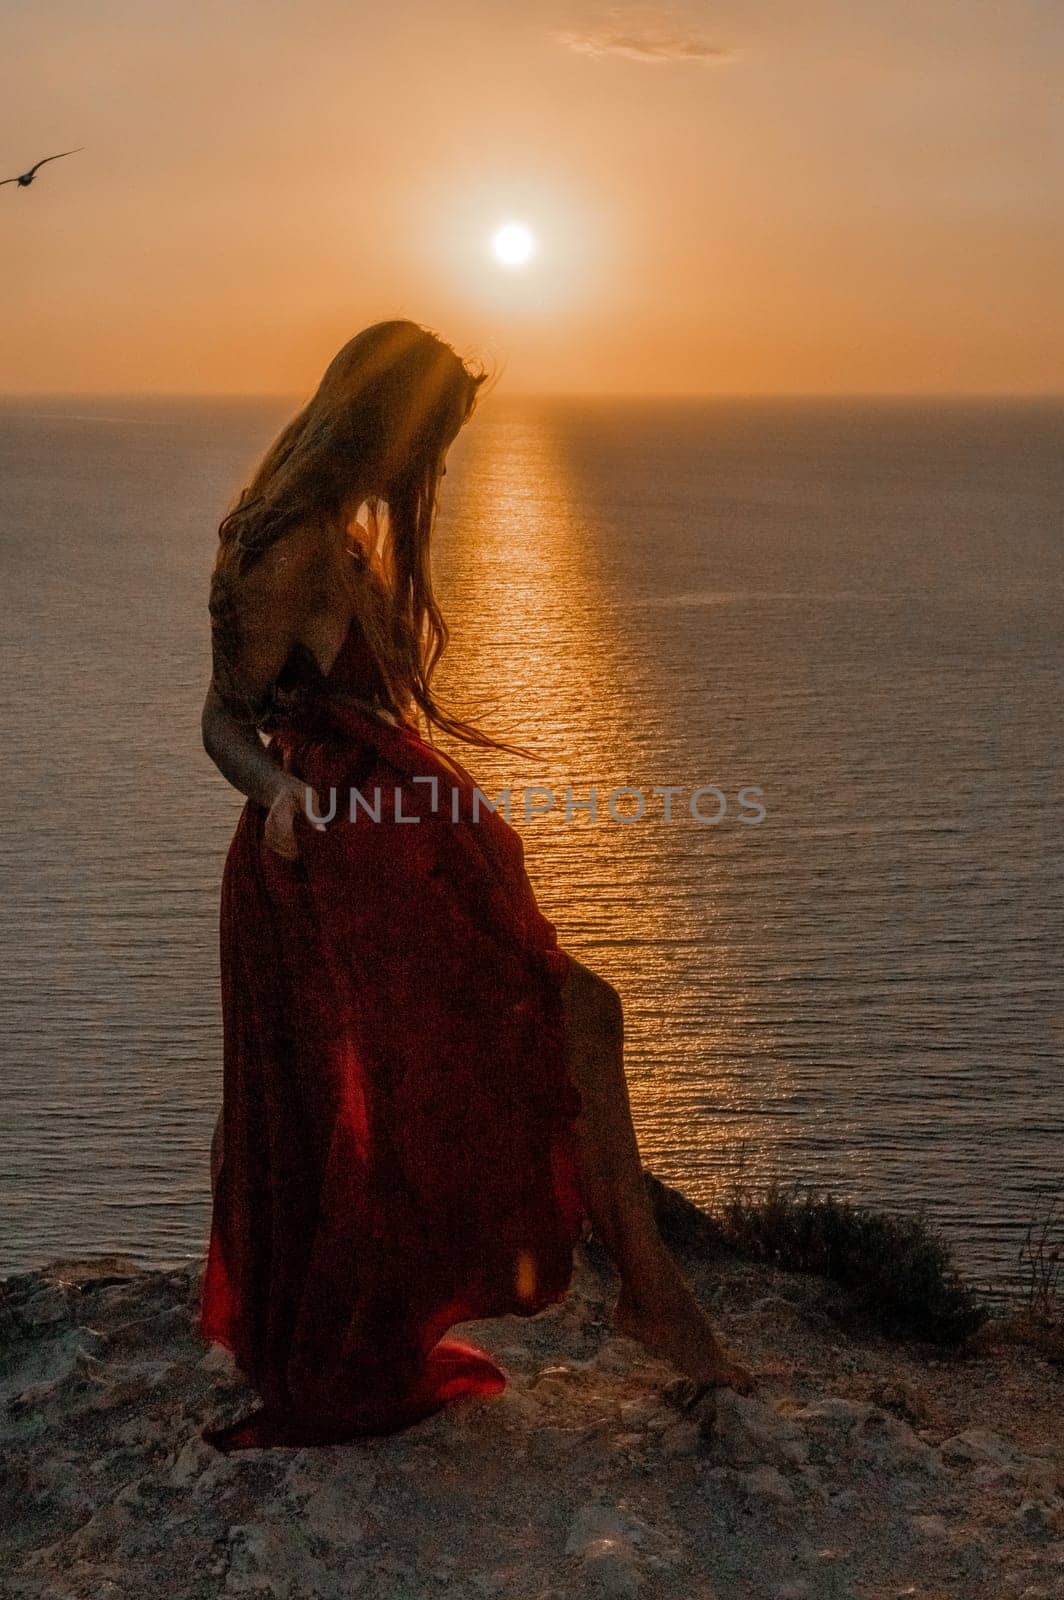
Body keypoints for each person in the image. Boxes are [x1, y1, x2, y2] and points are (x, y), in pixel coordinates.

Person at [196, 319, 753, 1449]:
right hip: (336, 859)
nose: (436, 463)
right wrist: (276, 793)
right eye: (437, 436)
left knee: (464, 1061)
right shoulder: (291, 540)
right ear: (391, 421)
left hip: (390, 843)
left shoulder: (337, 533)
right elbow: (218, 716)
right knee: (554, 1022)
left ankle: (643, 1296)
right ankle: (652, 1301)